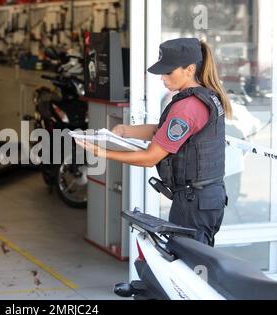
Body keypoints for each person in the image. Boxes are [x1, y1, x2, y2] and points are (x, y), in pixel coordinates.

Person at [76, 38, 231, 246]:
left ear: (190, 69)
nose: (163, 78)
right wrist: (125, 130)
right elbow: (163, 131)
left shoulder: (187, 107)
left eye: (168, 72)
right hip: (204, 198)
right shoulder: (202, 98)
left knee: (188, 267)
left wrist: (103, 152)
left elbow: (150, 158)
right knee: (191, 260)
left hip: (194, 202)